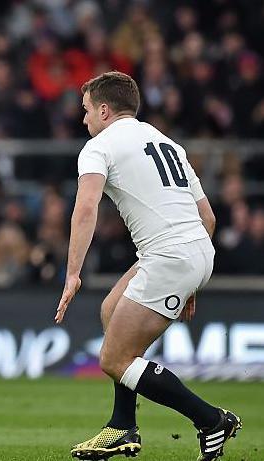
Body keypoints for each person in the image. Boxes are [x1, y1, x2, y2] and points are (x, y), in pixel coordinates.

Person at [55, 71, 241, 461]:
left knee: (113, 359)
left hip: (170, 256)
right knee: (111, 311)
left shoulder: (99, 146)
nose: (83, 118)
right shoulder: (167, 143)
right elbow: (207, 218)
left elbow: (86, 207)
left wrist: (72, 272)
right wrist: (192, 281)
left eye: (86, 110)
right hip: (192, 251)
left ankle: (211, 420)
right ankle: (123, 426)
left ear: (104, 110)